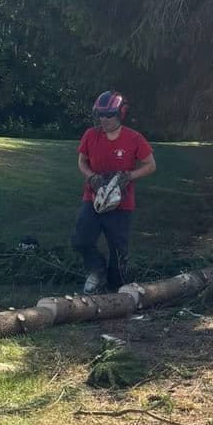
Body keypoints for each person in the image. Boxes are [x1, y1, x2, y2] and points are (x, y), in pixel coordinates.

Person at [71, 91, 156, 293]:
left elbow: (150, 165)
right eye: (100, 115)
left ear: (120, 114)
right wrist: (91, 176)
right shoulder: (91, 135)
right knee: (81, 240)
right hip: (93, 197)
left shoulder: (134, 138)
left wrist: (129, 176)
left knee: (118, 251)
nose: (104, 120)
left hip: (121, 202)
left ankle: (115, 288)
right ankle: (96, 270)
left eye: (109, 115)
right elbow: (82, 161)